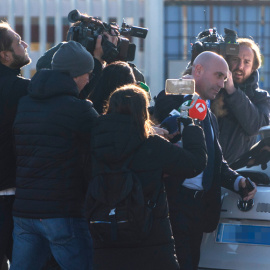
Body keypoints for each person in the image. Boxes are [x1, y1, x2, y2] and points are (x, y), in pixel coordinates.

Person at [86, 84, 207, 270]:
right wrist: (190, 126)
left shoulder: (92, 143)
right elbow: (194, 164)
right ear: (142, 112)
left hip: (105, 235)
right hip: (151, 239)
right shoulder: (151, 145)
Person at [154, 51, 257, 270]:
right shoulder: (173, 100)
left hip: (198, 209)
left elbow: (216, 163)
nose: (221, 83)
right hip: (172, 206)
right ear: (198, 70)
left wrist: (239, 182)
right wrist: (184, 88)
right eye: (218, 75)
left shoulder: (209, 116)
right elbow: (162, 105)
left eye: (224, 78)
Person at [10, 41, 99, 270]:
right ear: (75, 75)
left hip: (24, 213)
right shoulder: (79, 110)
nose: (89, 80)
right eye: (87, 74)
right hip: (62, 212)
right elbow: (105, 142)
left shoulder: (25, 103)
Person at [0, 21, 31, 269]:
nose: (25, 44)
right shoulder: (22, 91)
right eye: (19, 41)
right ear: (5, 55)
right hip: (10, 194)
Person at [211, 38, 270, 164]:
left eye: (246, 62)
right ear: (227, 62)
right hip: (205, 169)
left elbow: (256, 127)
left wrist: (232, 90)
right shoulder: (212, 90)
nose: (240, 66)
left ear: (254, 67)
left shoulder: (261, 97)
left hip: (238, 172)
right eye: (235, 60)